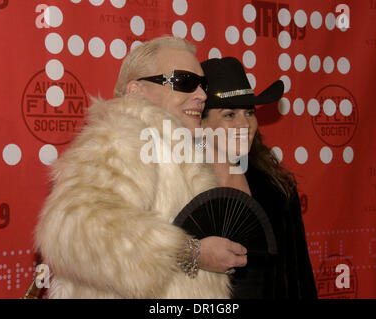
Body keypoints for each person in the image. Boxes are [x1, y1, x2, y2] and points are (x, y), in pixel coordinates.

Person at [34, 37, 247, 299]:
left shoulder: (178, 148)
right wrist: (192, 254)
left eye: (203, 84)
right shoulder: (121, 135)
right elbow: (71, 230)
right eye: (184, 82)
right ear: (136, 90)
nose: (202, 95)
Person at [200, 57, 318, 299]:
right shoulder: (176, 188)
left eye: (249, 112)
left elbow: (299, 276)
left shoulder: (276, 188)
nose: (245, 123)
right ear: (201, 124)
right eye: (230, 114)